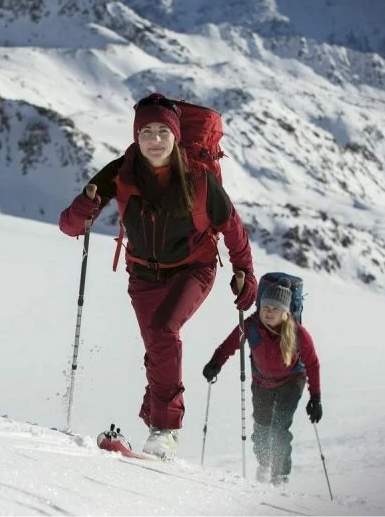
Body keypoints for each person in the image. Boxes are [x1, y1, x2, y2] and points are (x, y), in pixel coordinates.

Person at [59, 92, 258, 459]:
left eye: (163, 132)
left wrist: (245, 270)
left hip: (194, 268)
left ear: (176, 136)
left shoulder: (198, 178)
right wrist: (85, 207)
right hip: (143, 274)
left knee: (164, 330)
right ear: (136, 136)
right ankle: (155, 420)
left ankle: (165, 429)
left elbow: (232, 226)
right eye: (146, 132)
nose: (154, 140)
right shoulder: (121, 171)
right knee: (157, 346)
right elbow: (69, 226)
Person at [202, 278, 322, 485]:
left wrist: (316, 398)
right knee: (261, 431)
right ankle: (264, 464)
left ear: (285, 312)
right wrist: (215, 362)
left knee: (279, 429)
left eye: (275, 309)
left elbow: (312, 363)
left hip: (291, 382)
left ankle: (280, 475)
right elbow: (230, 344)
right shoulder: (251, 325)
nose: (269, 312)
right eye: (266, 307)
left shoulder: (297, 333)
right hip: (261, 382)